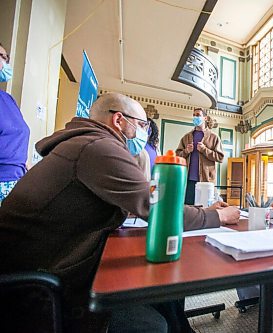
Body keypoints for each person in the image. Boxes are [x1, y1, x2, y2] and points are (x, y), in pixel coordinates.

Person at [0, 92, 239, 333]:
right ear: (118, 120)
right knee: (152, 323)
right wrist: (217, 216)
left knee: (162, 290)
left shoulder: (87, 142)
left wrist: (202, 210)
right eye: (141, 124)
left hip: (57, 260)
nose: (143, 132)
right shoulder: (98, 147)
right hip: (38, 284)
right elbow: (155, 205)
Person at [0, 42, 30, 205]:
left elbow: (17, 136)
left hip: (17, 180)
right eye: (2, 56)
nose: (6, 62)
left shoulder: (8, 99)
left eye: (7, 58)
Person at [176, 108, 224, 204]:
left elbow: (220, 157)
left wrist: (204, 150)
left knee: (204, 208)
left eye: (198, 115)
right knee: (188, 208)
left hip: (206, 181)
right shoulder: (186, 137)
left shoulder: (214, 137)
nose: (195, 117)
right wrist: (186, 151)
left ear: (205, 118)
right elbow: (177, 155)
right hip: (188, 181)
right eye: (194, 115)